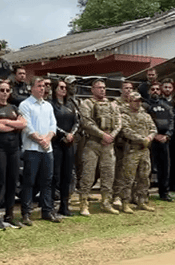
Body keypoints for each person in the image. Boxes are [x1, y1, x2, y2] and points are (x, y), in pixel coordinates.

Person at [0, 80, 27, 230]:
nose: (4, 93)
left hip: (14, 148)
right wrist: (13, 125)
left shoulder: (14, 108)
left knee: (13, 181)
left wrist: (6, 122)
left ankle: (9, 215)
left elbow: (24, 124)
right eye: (2, 90)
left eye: (7, 90)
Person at [19, 77, 60, 224]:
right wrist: (40, 140)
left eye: (43, 86)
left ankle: (47, 211)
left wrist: (47, 139)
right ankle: (26, 213)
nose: (42, 88)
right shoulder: (25, 105)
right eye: (39, 86)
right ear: (32, 88)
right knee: (29, 182)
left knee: (47, 181)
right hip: (32, 149)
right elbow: (27, 126)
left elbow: (53, 125)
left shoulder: (48, 106)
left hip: (47, 150)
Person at [78, 78, 121, 215]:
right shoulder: (87, 104)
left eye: (103, 87)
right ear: (92, 89)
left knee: (108, 175)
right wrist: (102, 135)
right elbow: (86, 122)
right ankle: (84, 203)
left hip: (108, 145)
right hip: (93, 143)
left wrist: (111, 136)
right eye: (99, 87)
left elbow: (119, 122)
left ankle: (106, 202)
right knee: (88, 174)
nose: (102, 90)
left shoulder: (113, 105)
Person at [119, 92, 156, 213]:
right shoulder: (124, 115)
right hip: (132, 149)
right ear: (130, 101)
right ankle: (125, 202)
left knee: (144, 176)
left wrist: (149, 138)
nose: (138, 103)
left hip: (144, 150)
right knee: (128, 177)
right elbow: (126, 131)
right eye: (135, 101)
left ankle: (141, 201)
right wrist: (142, 139)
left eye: (139, 101)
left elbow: (153, 128)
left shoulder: (145, 115)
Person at [51, 78, 80, 217]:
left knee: (67, 176)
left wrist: (71, 134)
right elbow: (51, 123)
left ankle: (64, 206)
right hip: (56, 143)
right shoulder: (51, 105)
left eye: (65, 87)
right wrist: (63, 134)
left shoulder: (71, 104)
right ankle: (50, 206)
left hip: (69, 144)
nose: (63, 89)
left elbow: (77, 122)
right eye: (61, 87)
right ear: (55, 89)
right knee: (55, 176)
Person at [146, 81, 174, 201]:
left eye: (157, 89)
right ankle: (144, 194)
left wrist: (167, 136)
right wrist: (155, 135)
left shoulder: (166, 106)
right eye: (153, 89)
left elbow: (172, 121)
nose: (155, 91)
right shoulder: (144, 106)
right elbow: (144, 123)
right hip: (150, 141)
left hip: (164, 141)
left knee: (165, 169)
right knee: (147, 169)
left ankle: (164, 193)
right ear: (149, 91)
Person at [111, 80, 135, 207]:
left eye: (130, 88)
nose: (128, 90)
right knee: (120, 169)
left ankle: (130, 195)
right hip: (120, 141)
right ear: (121, 90)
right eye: (126, 88)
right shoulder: (115, 104)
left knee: (132, 170)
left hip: (134, 142)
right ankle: (117, 196)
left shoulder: (135, 104)